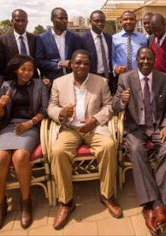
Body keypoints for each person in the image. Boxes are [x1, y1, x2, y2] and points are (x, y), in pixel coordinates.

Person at [48, 50, 122, 230]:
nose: (81, 66)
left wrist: (95, 120)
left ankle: (107, 195)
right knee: (58, 151)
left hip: (94, 127)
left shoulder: (101, 82)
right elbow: (51, 107)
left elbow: (109, 106)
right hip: (69, 129)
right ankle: (66, 202)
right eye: (78, 63)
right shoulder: (59, 82)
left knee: (108, 146)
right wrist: (61, 113)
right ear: (71, 64)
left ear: (90, 65)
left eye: (86, 63)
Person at [112, 47, 166, 236]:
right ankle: (155, 206)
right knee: (135, 148)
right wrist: (122, 101)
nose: (146, 62)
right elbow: (115, 106)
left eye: (149, 58)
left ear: (154, 59)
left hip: (157, 127)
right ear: (137, 60)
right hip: (135, 128)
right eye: (142, 58)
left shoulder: (164, 79)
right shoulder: (125, 79)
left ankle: (153, 206)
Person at [0, 55, 49, 233]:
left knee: (20, 156)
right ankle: (0, 207)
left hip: (31, 126)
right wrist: (0, 105)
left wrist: (29, 124)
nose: (26, 73)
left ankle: (26, 203)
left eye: (30, 70)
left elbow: (44, 110)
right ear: (16, 69)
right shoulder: (7, 86)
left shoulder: (40, 85)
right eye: (23, 69)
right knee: (0, 158)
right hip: (10, 126)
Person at [36, 7, 82, 83]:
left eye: (66, 18)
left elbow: (79, 57)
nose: (64, 21)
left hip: (72, 80)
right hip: (52, 81)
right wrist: (59, 64)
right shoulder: (42, 38)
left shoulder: (74, 37)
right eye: (60, 18)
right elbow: (39, 61)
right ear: (52, 19)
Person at [0, 9, 38, 81]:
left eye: (23, 20)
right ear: (12, 21)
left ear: (27, 21)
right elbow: (0, 64)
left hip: (32, 80)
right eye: (17, 20)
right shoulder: (2, 39)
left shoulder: (35, 39)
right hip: (11, 81)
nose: (20, 23)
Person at [80, 10, 114, 92]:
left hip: (108, 76)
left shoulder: (109, 38)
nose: (100, 23)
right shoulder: (82, 38)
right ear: (90, 22)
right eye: (96, 21)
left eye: (102, 21)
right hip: (92, 77)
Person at [111, 11, 148, 76]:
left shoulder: (143, 38)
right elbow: (111, 57)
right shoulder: (114, 38)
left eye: (131, 19)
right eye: (125, 19)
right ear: (121, 22)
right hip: (121, 75)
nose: (128, 21)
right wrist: (115, 67)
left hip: (139, 75)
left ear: (136, 22)